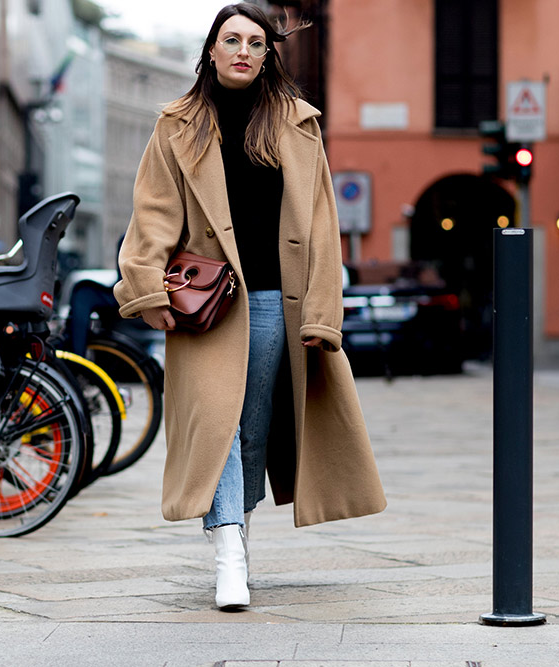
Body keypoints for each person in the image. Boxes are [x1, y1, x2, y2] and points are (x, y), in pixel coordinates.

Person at [114, 3, 386, 610]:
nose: (242, 50)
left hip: (272, 303)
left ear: (268, 56)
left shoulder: (297, 124)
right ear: (210, 51)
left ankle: (237, 523)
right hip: (206, 305)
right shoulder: (176, 125)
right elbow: (153, 213)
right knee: (220, 424)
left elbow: (320, 225)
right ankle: (229, 552)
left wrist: (321, 313)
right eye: (230, 39)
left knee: (252, 429)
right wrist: (147, 289)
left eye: (255, 42)